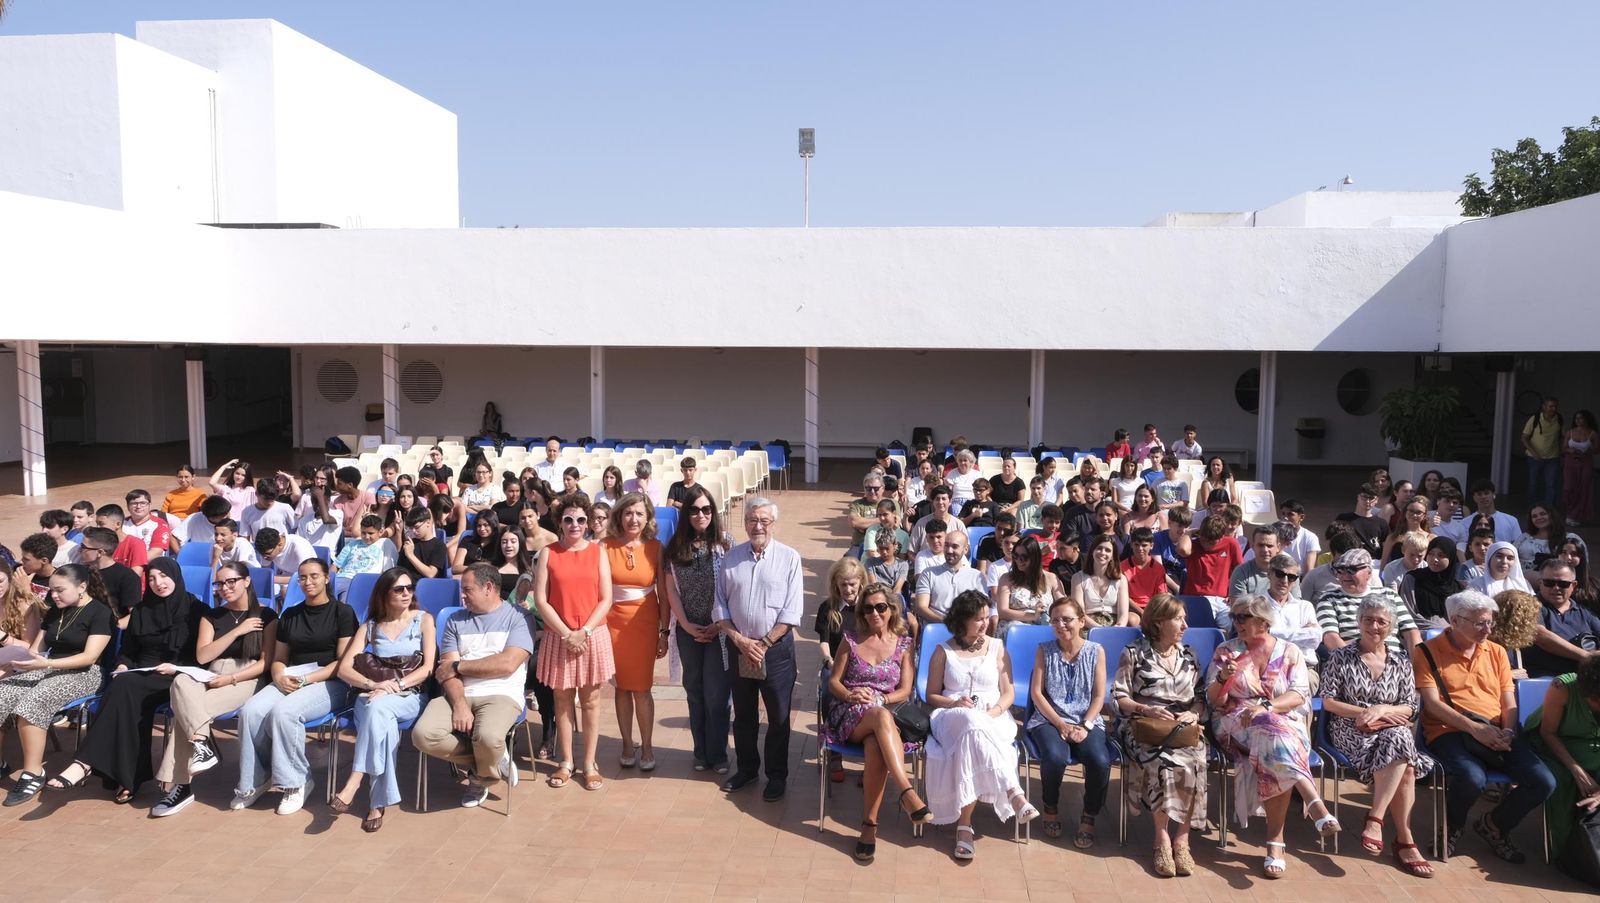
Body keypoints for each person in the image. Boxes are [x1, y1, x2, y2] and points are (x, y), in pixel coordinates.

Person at [45, 558, 207, 804]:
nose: (158, 583)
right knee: (125, 689)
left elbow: (201, 656)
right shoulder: (142, 610)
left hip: (178, 676)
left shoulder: (196, 610)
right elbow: (129, 651)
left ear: (175, 575)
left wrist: (175, 668)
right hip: (140, 673)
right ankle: (124, 777)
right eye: (151, 578)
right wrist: (123, 664)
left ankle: (88, 764)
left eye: (163, 576)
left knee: (124, 688)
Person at [1412, 590, 1556, 862]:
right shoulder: (1427, 652)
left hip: (1499, 729)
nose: (1487, 629)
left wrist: (1509, 731)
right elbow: (1431, 704)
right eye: (1480, 623)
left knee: (1543, 781)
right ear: (1455, 621)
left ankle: (1494, 826)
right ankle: (1453, 826)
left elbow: (1508, 699)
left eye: (1490, 622)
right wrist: (1475, 729)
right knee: (1472, 778)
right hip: (1449, 729)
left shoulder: (1497, 651)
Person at [1208, 595, 1339, 878]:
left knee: (1273, 742)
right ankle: (1311, 806)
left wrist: (1266, 707)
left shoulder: (1290, 652)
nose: (1236, 622)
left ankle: (1276, 843)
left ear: (1263, 622)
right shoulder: (1226, 650)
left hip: (1282, 721)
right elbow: (1215, 701)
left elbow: (1298, 694)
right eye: (1234, 617)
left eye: (1243, 617)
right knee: (1274, 736)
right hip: (1234, 721)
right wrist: (1223, 678)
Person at [149, 559, 280, 817]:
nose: (225, 587)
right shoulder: (212, 615)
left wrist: (231, 679)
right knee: (181, 681)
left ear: (246, 581)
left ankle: (180, 786)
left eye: (231, 581)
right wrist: (236, 631)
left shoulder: (267, 616)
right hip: (211, 672)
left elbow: (265, 663)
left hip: (245, 677)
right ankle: (201, 743)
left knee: (184, 716)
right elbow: (202, 656)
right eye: (220, 583)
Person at [1317, 595, 1435, 877]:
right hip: (1349, 728)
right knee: (1404, 758)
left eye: (1381, 621)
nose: (1374, 626)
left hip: (1388, 729)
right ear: (1358, 622)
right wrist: (1365, 713)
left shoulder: (1401, 661)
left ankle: (1376, 819)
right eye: (1368, 620)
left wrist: (1380, 710)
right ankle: (1404, 840)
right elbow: (1329, 701)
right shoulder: (1341, 656)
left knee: (1400, 747)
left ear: (1391, 626)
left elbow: (1410, 706)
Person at [231, 558, 358, 815]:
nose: (307, 582)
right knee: (251, 711)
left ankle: (296, 782)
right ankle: (256, 780)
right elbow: (279, 658)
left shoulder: (342, 613)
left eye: (313, 576)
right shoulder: (290, 614)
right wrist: (278, 677)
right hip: (291, 677)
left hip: (331, 682)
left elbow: (342, 664)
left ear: (326, 578)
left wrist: (306, 680)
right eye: (302, 577)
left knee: (284, 713)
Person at [821, 584, 933, 862]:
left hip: (885, 714)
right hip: (849, 712)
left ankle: (868, 827)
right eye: (868, 608)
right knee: (880, 719)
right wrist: (850, 693)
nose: (874, 613)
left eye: (880, 607)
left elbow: (906, 690)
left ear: (891, 609)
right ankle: (906, 792)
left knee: (875, 745)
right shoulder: (850, 639)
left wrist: (881, 700)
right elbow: (834, 681)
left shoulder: (904, 643)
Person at [925, 590, 1039, 859]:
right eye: (978, 619)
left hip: (993, 716)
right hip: (951, 714)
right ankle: (1013, 792)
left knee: (974, 731)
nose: (985, 623)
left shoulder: (998, 648)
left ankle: (964, 826)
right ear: (961, 620)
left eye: (987, 617)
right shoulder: (943, 650)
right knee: (969, 721)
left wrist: (995, 711)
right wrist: (954, 704)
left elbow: (1009, 692)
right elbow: (931, 695)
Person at [415, 561, 535, 810]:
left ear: (488, 587)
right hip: (459, 693)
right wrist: (459, 704)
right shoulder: (455, 620)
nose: (462, 595)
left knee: (489, 737)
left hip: (502, 694)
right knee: (423, 735)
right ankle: (490, 760)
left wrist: (460, 667)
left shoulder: (519, 617)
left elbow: (507, 664)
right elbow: (445, 671)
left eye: (467, 590)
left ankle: (481, 776)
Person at [0, 564, 116, 807]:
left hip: (85, 673)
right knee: (3, 692)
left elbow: (89, 657)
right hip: (47, 666)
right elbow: (36, 650)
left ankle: (33, 773)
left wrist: (47, 664)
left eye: (60, 590)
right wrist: (17, 665)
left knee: (33, 701)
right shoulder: (55, 611)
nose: (54, 595)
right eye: (52, 590)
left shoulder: (99, 613)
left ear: (82, 587)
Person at [330, 568, 436, 832]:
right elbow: (344, 669)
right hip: (371, 694)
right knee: (382, 723)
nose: (406, 593)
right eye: (398, 589)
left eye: (409, 588)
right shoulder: (371, 626)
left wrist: (395, 686)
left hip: (409, 695)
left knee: (377, 708)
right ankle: (377, 803)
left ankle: (355, 780)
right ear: (384, 593)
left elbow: (427, 669)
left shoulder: (423, 620)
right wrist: (373, 684)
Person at [714, 497, 803, 802]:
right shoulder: (731, 559)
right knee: (744, 715)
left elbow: (792, 612)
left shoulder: (790, 558)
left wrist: (763, 643)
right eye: (752, 520)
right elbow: (720, 606)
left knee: (778, 717)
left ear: (773, 524)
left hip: (775, 651)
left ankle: (776, 775)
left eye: (764, 520)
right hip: (740, 647)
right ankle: (748, 769)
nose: (758, 526)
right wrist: (740, 640)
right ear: (745, 523)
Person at [1112, 593, 1207, 877]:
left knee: (1196, 760)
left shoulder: (1189, 655)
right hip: (1145, 726)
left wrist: (1194, 713)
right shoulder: (1134, 652)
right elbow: (1119, 696)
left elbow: (1201, 697)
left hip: (1182, 727)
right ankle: (1162, 838)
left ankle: (1183, 839)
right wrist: (1147, 709)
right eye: (1179, 619)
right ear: (1159, 622)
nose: (1185, 625)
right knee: (1164, 762)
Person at [532, 495, 615, 791]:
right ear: (560, 522)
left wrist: (585, 631)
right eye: (568, 519)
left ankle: (589, 763)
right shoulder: (548, 553)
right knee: (562, 701)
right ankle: (566, 761)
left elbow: (606, 598)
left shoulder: (598, 552)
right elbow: (540, 599)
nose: (575, 525)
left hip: (592, 635)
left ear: (588, 521)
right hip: (559, 636)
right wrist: (568, 633)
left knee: (591, 701)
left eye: (581, 519)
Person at [1025, 596, 1110, 847]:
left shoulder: (1096, 651)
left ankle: (1089, 816)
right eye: (1055, 620)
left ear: (1081, 621)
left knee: (1100, 760)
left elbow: (1098, 695)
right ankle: (1050, 806)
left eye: (1067, 619)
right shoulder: (1044, 649)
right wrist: (1061, 725)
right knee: (1054, 756)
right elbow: (1037, 694)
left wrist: (1085, 726)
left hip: (1086, 718)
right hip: (1050, 719)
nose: (1061, 625)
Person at [664, 485, 732, 775]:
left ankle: (718, 754)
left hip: (720, 630)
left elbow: (732, 589)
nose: (700, 515)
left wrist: (718, 625)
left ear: (713, 512)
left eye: (706, 509)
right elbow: (671, 591)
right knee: (695, 693)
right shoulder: (675, 547)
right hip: (688, 630)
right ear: (686, 513)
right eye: (694, 510)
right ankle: (701, 753)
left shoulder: (726, 544)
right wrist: (688, 625)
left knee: (717, 694)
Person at [605, 493, 669, 771]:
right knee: (621, 687)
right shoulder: (604, 546)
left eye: (639, 514)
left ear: (648, 518)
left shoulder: (656, 547)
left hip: (644, 623)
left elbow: (664, 595)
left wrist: (664, 632)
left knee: (642, 688)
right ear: (619, 515)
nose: (634, 519)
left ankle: (648, 745)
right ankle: (627, 744)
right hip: (612, 623)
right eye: (628, 513)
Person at [1526, 657, 1600, 868]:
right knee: (1562, 778)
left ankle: (1593, 848)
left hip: (1593, 747)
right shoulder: (1562, 687)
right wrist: (1577, 771)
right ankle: (1568, 853)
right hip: (1557, 745)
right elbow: (1548, 733)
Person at [1316, 549, 1422, 654]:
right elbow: (1330, 637)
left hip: (1395, 660)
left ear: (1369, 573)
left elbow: (1411, 632)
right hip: (1352, 661)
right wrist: (1357, 662)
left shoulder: (1389, 595)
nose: (1345, 575)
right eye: (1340, 570)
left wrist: (1417, 665)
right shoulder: (1328, 598)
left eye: (1352, 570)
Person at [1523, 558, 1600, 679]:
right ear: (1540, 583)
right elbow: (1540, 635)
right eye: (1549, 583)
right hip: (1546, 680)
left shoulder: (1585, 613)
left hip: (1585, 680)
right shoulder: (1529, 605)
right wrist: (1586, 656)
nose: (1556, 588)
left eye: (1563, 584)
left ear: (1573, 585)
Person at [911, 531, 985, 628]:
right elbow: (920, 607)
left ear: (965, 549)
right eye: (946, 545)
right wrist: (945, 621)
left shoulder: (977, 577)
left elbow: (982, 609)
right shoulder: (928, 574)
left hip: (967, 630)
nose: (949, 550)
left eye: (955, 546)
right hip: (937, 628)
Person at [1399, 537, 1461, 626]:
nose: (1434, 559)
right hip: (1421, 633)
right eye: (1431, 554)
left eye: (1441, 555)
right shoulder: (1413, 579)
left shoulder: (1457, 588)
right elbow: (1407, 614)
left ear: (1451, 559)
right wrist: (1436, 628)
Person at [1072, 534, 1130, 627]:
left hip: (1114, 626)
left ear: (1112, 556)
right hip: (1088, 626)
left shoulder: (1121, 579)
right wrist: (1099, 629)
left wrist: (1118, 628)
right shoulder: (1078, 578)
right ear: (1092, 551)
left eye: (1108, 550)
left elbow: (1123, 614)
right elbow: (1079, 613)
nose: (1103, 552)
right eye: (1099, 548)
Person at [0, 558, 44, 667]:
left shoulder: (24, 605)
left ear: (10, 578)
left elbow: (31, 648)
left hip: (16, 663)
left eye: (0, 581)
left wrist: (3, 637)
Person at [1524, 396, 1563, 510]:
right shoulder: (1535, 419)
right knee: (1533, 484)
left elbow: (1562, 437)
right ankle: (1533, 508)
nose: (1553, 409)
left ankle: (1549, 509)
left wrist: (1563, 452)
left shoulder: (1559, 419)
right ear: (1544, 407)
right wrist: (1533, 452)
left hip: (1553, 457)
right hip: (1534, 458)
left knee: (1551, 485)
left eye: (1555, 406)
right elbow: (1524, 437)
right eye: (1550, 406)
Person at [1229, 525, 1285, 599]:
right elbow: (1238, 607)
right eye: (1261, 545)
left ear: (1278, 547)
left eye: (1269, 546)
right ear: (1253, 546)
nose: (1265, 550)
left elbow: (1297, 605)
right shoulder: (1241, 572)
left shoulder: (1289, 574)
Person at [1563, 409, 1597, 526]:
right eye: (1576, 418)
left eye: (1581, 418)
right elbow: (1563, 447)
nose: (1578, 420)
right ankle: (1570, 512)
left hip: (1586, 463)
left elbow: (1597, 450)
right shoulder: (1570, 432)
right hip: (1571, 463)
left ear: (1586, 419)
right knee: (1569, 487)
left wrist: (1589, 449)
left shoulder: (1592, 433)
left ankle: (1575, 516)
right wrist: (1570, 450)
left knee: (1584, 488)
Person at [846, 474, 887, 556]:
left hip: (884, 546)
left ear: (883, 488)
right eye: (868, 488)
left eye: (876, 489)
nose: (872, 491)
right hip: (860, 545)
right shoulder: (857, 504)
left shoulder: (890, 503)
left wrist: (863, 525)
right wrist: (881, 520)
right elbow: (854, 522)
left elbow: (893, 523)